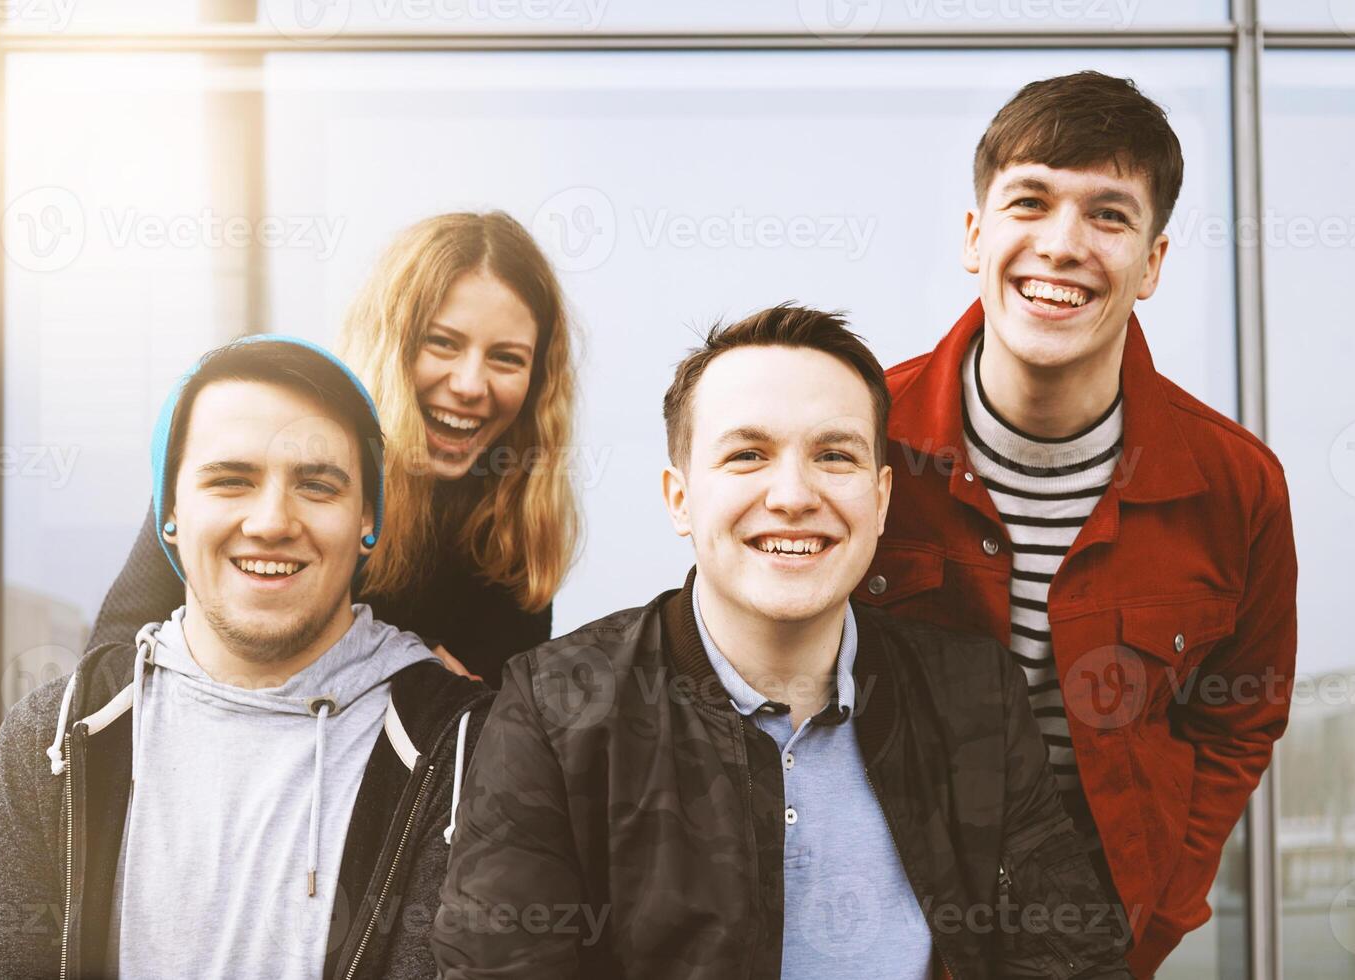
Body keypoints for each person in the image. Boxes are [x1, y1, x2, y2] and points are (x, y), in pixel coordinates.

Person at [432, 305, 1131, 980]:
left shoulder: (975, 696)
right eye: (747, 455)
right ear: (680, 498)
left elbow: (1075, 960)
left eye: (833, 455)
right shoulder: (554, 709)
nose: (793, 495)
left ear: (881, 499)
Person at [856, 71, 1298, 975]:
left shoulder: (1234, 485)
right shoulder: (860, 438)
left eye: (1108, 215)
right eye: (1030, 201)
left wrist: (1159, 908)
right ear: (976, 236)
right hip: (875, 919)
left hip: (1093, 936)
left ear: (1153, 265)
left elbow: (1241, 715)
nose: (1061, 246)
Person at [0, 337, 491, 979]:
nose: (270, 521)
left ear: (367, 517)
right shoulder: (56, 740)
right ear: (170, 512)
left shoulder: (459, 752)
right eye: (231, 480)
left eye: (316, 485)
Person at [89, 211, 581, 685]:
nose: (472, 384)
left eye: (506, 358)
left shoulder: (517, 516)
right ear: (389, 345)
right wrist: (396, 660)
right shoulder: (258, 458)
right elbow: (110, 666)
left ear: (537, 379)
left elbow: (500, 733)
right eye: (442, 343)